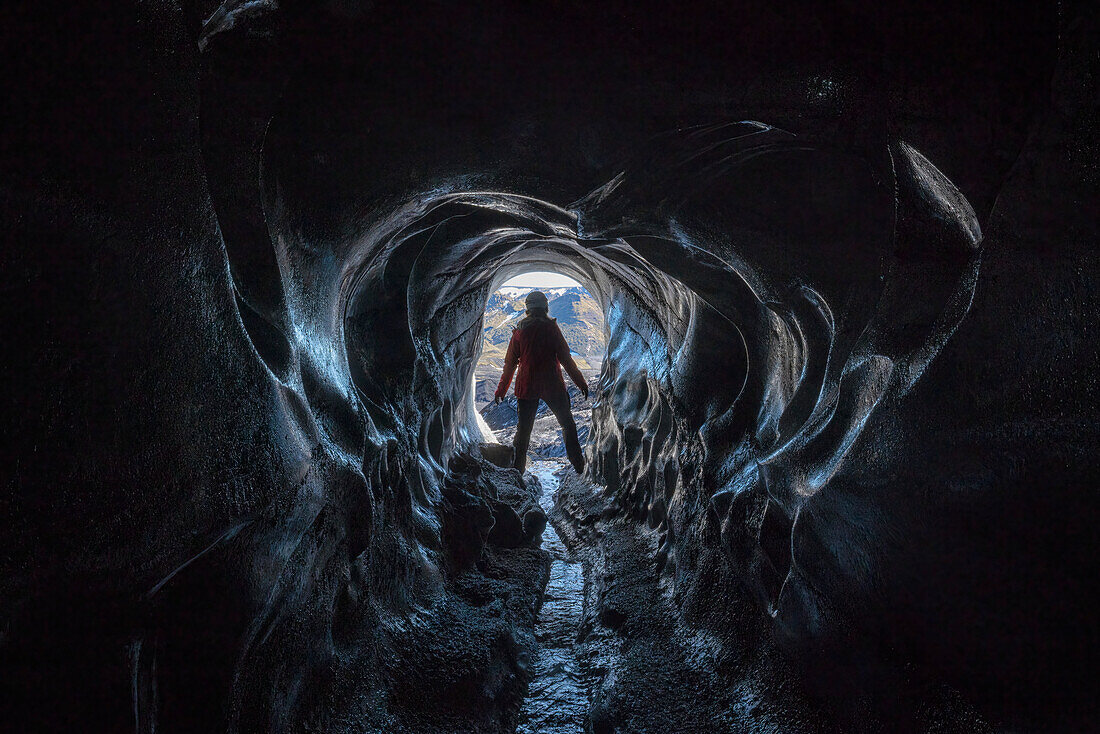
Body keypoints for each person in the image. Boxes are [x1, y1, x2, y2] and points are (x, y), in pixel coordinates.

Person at [494, 290, 589, 474]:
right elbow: (566, 360)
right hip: (552, 385)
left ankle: (518, 471)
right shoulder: (551, 329)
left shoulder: (520, 331)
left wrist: (501, 391)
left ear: (528, 309)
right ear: (545, 307)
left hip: (527, 387)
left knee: (523, 433)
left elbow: (509, 365)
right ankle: (579, 466)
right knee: (567, 425)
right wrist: (580, 382)